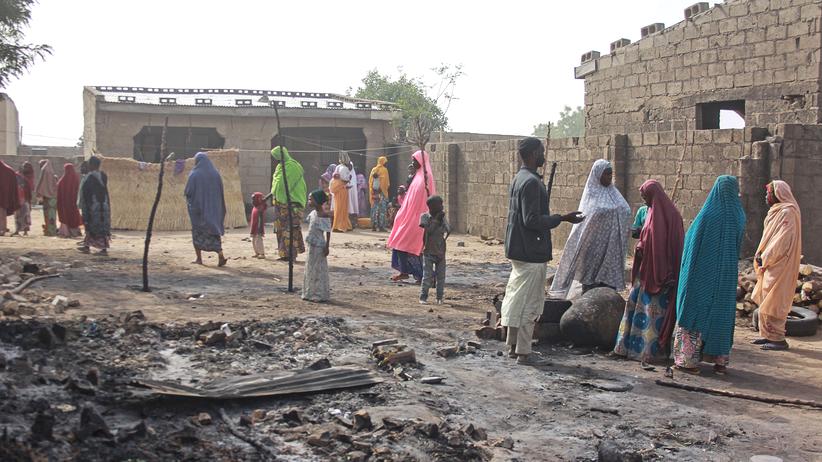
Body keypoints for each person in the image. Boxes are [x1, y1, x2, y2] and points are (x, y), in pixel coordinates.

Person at [501, 137, 584, 366]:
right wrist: (562, 218)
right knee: (530, 302)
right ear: (531, 154)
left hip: (519, 250)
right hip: (531, 252)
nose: (543, 154)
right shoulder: (530, 183)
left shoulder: (520, 179)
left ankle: (512, 345)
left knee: (517, 298)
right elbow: (532, 220)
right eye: (541, 151)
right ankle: (523, 352)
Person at [673, 176, 746, 374]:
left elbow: (691, 244)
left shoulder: (708, 215)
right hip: (726, 275)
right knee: (722, 315)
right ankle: (720, 362)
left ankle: (687, 361)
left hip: (702, 274)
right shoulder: (739, 215)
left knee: (694, 311)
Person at [613, 180, 684, 363]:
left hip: (662, 275)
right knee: (636, 307)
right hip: (645, 271)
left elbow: (675, 246)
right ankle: (629, 348)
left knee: (654, 314)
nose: (644, 201)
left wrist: (668, 272)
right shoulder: (650, 212)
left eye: (645, 197)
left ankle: (651, 352)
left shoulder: (672, 216)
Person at [548, 159, 631, 298]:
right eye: (606, 174)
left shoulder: (615, 193)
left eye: (610, 174)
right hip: (593, 250)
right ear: (597, 174)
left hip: (612, 252)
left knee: (608, 290)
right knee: (591, 288)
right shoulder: (591, 196)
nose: (609, 177)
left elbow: (625, 211)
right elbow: (586, 222)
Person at [751, 180, 802, 351]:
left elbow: (782, 240)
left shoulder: (788, 212)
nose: (766, 196)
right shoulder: (776, 211)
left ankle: (778, 339)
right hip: (770, 264)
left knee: (775, 300)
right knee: (766, 297)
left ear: (777, 194)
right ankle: (767, 335)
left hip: (780, 264)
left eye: (769, 193)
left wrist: (765, 257)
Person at [387, 150, 437, 283]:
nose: (413, 162)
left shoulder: (427, 178)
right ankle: (404, 271)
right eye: (412, 160)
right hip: (408, 217)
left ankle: (424, 276)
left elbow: (429, 199)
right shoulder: (417, 177)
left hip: (419, 219)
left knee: (413, 247)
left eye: (415, 160)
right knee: (399, 242)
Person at [184, 152, 227, 266]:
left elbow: (188, 192)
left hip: (198, 212)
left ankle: (199, 259)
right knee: (214, 233)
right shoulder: (215, 174)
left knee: (197, 234)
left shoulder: (194, 174)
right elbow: (220, 191)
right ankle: (220, 255)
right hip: (213, 211)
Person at [270, 146, 307, 262]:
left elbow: (283, 186)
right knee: (281, 229)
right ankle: (284, 255)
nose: (277, 160)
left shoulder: (293, 166)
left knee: (291, 230)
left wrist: (280, 195)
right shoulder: (280, 167)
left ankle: (292, 255)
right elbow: (277, 184)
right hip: (281, 205)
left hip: (293, 204)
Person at [419, 195, 450, 305]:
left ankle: (439, 297)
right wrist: (436, 220)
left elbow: (449, 230)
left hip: (441, 252)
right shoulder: (425, 217)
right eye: (439, 204)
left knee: (441, 277)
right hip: (428, 251)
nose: (442, 206)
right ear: (432, 206)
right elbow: (429, 231)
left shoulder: (442, 218)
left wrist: (442, 220)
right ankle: (423, 297)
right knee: (427, 276)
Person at [303, 190, 333, 303]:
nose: (309, 201)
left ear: (318, 201)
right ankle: (309, 292)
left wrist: (327, 246)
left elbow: (328, 231)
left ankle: (319, 294)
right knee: (310, 268)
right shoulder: (312, 214)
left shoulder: (323, 216)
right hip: (312, 244)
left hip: (319, 245)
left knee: (318, 269)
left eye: (311, 199)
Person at [79, 156, 111, 255]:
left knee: (90, 223)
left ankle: (103, 249)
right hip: (103, 203)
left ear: (92, 165)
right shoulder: (103, 175)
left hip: (93, 204)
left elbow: (86, 193)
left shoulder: (89, 177)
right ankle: (87, 245)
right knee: (102, 224)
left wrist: (84, 205)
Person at [57, 163, 83, 238]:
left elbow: (59, 190)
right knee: (74, 215)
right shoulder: (76, 178)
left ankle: (66, 231)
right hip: (74, 202)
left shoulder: (63, 180)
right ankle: (75, 231)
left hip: (65, 203)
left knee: (65, 215)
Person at [36, 159, 58, 236]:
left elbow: (41, 186)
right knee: (52, 215)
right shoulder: (53, 175)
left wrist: (39, 193)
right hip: (54, 198)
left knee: (48, 215)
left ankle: (50, 231)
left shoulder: (45, 174)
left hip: (48, 198)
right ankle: (52, 230)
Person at [336, 151, 359, 224]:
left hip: (348, 187)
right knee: (345, 205)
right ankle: (345, 222)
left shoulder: (347, 165)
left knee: (349, 205)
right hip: (343, 187)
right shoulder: (340, 167)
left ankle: (349, 222)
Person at [12, 162, 34, 236]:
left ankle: (24, 231)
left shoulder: (27, 178)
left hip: (24, 199)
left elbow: (29, 189)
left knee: (25, 215)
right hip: (18, 199)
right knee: (18, 215)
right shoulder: (16, 176)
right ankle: (18, 230)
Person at [369, 156, 390, 232]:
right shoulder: (384, 170)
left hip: (374, 192)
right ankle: (381, 226)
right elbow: (386, 183)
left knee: (374, 209)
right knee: (382, 210)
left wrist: (372, 191)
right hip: (382, 193)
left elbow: (370, 182)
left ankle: (373, 225)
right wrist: (384, 190)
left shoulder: (373, 169)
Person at [0, 160, 20, 236]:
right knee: (2, 213)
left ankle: (2, 229)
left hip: (3, 196)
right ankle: (3, 228)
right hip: (5, 196)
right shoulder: (9, 171)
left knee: (2, 213)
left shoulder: (7, 171)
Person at [249, 192, 267, 259]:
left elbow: (264, 206)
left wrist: (262, 201)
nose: (253, 201)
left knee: (258, 240)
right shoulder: (255, 207)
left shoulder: (261, 207)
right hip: (254, 227)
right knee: (253, 240)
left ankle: (262, 254)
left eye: (254, 199)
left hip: (258, 227)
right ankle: (257, 253)